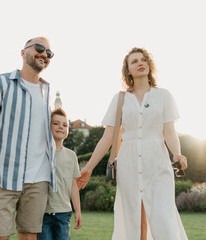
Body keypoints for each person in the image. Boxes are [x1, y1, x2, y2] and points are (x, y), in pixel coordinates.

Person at [77, 47, 188, 240]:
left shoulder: (164, 96)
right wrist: (89, 168)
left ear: (150, 65)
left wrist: (177, 153)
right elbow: (107, 137)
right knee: (134, 221)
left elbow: (169, 132)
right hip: (128, 165)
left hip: (158, 164)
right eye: (134, 61)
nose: (140, 63)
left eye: (144, 60)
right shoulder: (120, 99)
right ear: (128, 70)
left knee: (164, 220)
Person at [0, 36, 57, 240]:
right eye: (39, 48)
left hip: (38, 179)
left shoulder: (46, 91)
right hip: (2, 175)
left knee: (29, 236)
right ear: (23, 52)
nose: (44, 54)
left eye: (49, 53)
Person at [38, 108, 82, 240]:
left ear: (68, 130)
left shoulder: (71, 155)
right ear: (48, 126)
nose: (60, 127)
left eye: (64, 125)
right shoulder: (40, 153)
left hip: (64, 213)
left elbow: (74, 186)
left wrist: (78, 211)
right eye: (56, 123)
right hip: (43, 213)